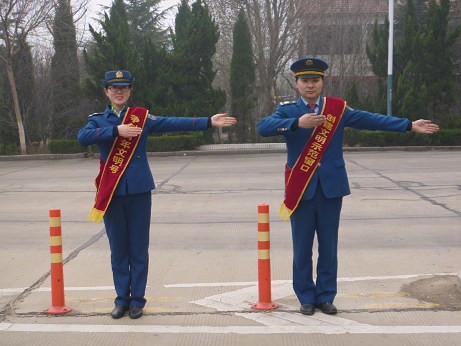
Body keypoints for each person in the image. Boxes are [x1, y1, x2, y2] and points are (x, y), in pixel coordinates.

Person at [258, 58, 439, 316]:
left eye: (315, 80)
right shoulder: (287, 111)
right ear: (296, 83)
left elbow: (370, 120)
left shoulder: (337, 109)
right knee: (302, 247)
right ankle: (306, 297)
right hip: (301, 188)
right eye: (305, 81)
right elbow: (262, 128)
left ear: (322, 82)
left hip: (332, 187)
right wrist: (299, 123)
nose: (310, 85)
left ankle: (325, 296)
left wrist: (409, 125)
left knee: (329, 247)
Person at [78, 70, 236, 319]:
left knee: (138, 249)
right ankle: (122, 299)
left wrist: (208, 121)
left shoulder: (141, 117)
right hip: (112, 193)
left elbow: (171, 122)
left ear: (130, 91)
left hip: (139, 190)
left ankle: (137, 300)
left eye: (124, 88)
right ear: (106, 91)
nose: (119, 92)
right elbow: (82, 137)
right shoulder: (98, 120)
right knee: (118, 249)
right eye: (113, 88)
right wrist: (116, 131)